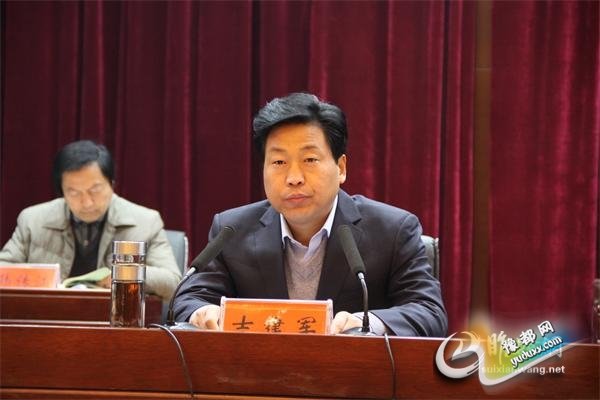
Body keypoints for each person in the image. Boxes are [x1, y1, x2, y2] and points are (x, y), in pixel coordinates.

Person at [174, 93, 447, 336]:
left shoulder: (392, 230)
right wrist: (202, 312)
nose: (294, 178)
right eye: (279, 162)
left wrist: (365, 324)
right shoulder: (231, 229)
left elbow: (428, 311)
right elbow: (187, 298)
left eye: (310, 160)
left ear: (341, 168)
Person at [0, 140, 181, 301]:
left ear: (112, 183)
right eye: (74, 192)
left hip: (115, 320)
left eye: (95, 190)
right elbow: (3, 269)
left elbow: (173, 282)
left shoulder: (146, 221)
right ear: (61, 191)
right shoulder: (32, 220)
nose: (86, 202)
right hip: (47, 317)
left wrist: (124, 274)